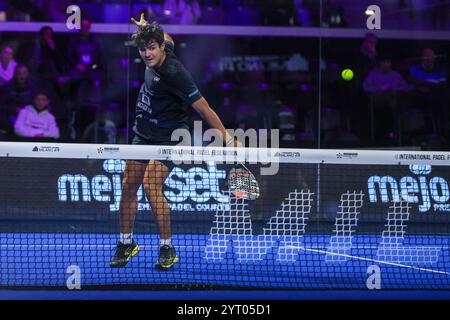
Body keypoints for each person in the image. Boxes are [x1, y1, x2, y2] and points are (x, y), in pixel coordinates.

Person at [110, 14, 240, 270]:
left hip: (171, 137)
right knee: (128, 185)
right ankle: (126, 243)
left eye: (151, 48)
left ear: (161, 48)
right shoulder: (161, 44)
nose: (147, 54)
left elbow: (204, 108)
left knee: (151, 186)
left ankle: (167, 247)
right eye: (143, 48)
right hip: (143, 133)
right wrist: (147, 28)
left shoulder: (176, 73)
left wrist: (227, 137)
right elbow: (168, 37)